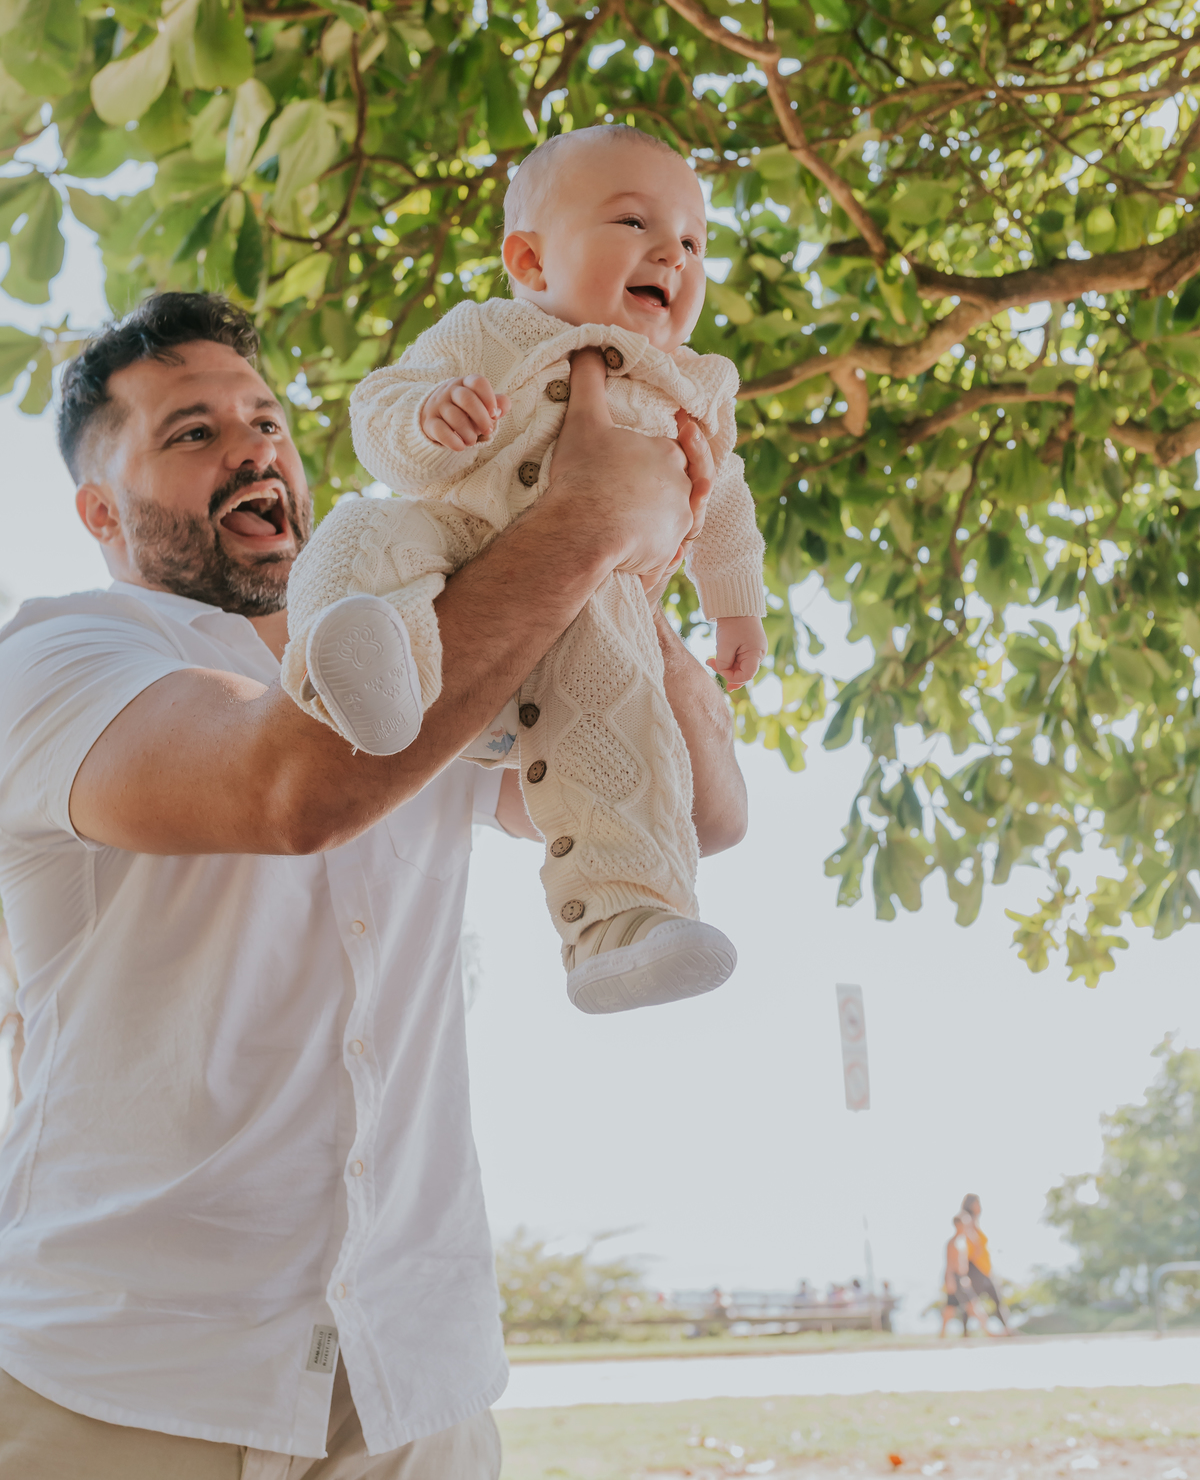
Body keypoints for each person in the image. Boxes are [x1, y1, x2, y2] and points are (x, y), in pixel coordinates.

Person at [0, 290, 746, 1477]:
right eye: (192, 433)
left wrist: (627, 575)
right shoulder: (58, 657)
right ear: (100, 508)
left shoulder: (432, 643)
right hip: (130, 1381)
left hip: (415, 1379)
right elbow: (292, 790)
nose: (253, 448)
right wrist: (587, 519)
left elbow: (699, 812)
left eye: (266, 420)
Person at [280, 126, 768, 1016]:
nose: (675, 253)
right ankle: (371, 671)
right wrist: (428, 417)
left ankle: (626, 926)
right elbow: (379, 404)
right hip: (455, 549)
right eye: (634, 221)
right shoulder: (483, 332)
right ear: (530, 259)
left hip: (594, 610)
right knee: (360, 538)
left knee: (623, 729)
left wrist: (734, 607)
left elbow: (723, 497)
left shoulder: (689, 384)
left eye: (694, 241)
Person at [961, 1193, 1013, 1334]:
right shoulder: (967, 1220)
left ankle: (1006, 1329)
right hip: (975, 1267)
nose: (979, 1206)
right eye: (977, 1203)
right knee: (973, 1300)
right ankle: (966, 1332)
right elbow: (971, 1243)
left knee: (987, 1299)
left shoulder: (975, 1221)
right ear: (971, 1204)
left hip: (984, 1268)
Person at [939, 1214, 990, 1338]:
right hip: (956, 1279)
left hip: (961, 1278)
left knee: (950, 1307)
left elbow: (977, 1250)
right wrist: (950, 1281)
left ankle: (942, 1334)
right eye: (964, 1224)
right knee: (973, 1304)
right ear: (957, 1225)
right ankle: (988, 1332)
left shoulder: (963, 1242)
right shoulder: (952, 1243)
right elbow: (950, 1265)